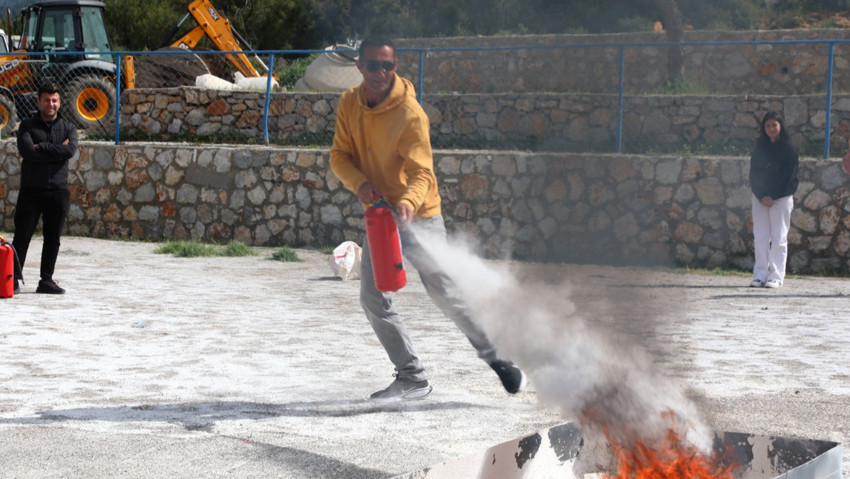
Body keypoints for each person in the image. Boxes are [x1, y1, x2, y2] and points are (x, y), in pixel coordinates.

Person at [330, 36, 525, 401]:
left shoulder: (410, 113)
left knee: (445, 294)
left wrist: (408, 201)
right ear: (359, 66)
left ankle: (499, 360)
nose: (381, 73)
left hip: (419, 216)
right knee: (373, 297)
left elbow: (423, 172)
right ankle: (412, 377)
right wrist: (360, 184)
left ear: (396, 66)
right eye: (373, 65)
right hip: (380, 219)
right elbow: (339, 156)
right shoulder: (348, 104)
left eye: (388, 66)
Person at [12, 82, 78, 295]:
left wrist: (44, 147)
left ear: (59, 102)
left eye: (55, 100)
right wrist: (57, 149)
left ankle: (46, 280)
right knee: (22, 236)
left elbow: (69, 152)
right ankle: (11, 279)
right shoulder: (27, 126)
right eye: (47, 100)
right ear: (38, 101)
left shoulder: (68, 127)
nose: (51, 104)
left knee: (53, 238)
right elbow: (28, 153)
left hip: (58, 190)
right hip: (31, 189)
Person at [748, 111, 798, 289]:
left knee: (779, 237)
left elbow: (788, 177)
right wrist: (762, 195)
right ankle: (760, 274)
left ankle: (776, 276)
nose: (771, 128)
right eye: (768, 125)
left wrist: (773, 196)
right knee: (760, 236)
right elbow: (754, 174)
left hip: (781, 198)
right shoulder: (759, 148)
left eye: (774, 125)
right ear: (764, 128)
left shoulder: (789, 150)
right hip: (760, 198)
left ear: (780, 127)